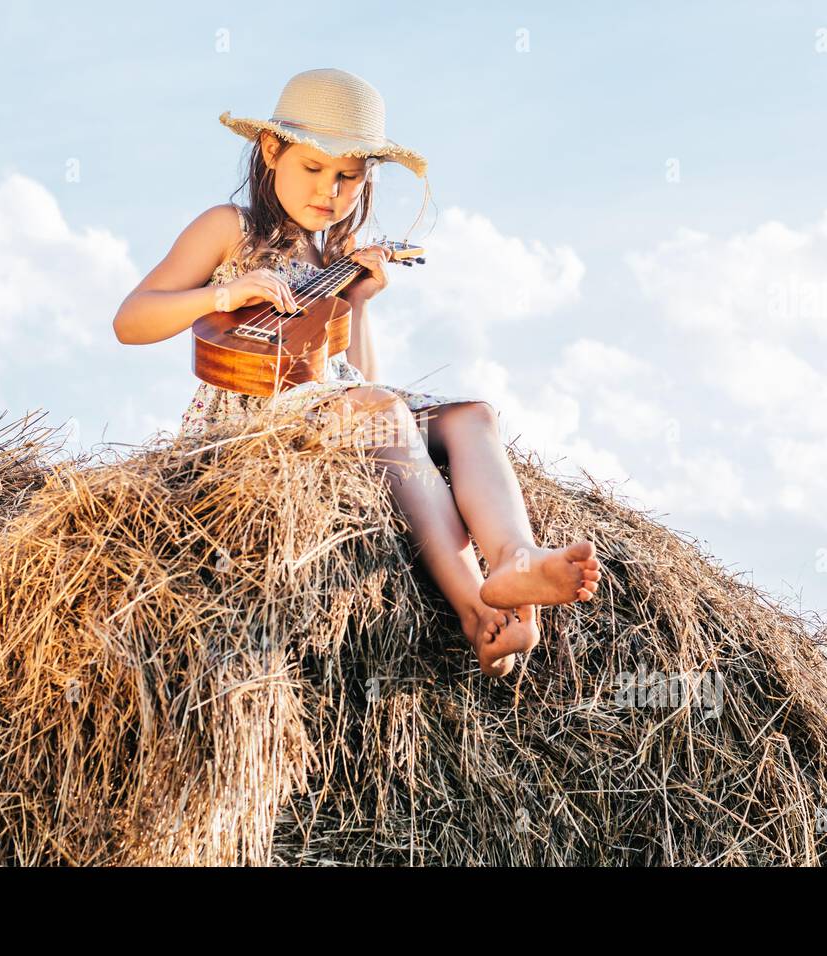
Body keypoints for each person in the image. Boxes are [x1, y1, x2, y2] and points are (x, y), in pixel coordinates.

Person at [112, 68, 600, 678]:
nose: (330, 191)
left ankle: (515, 557)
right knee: (382, 410)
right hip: (255, 418)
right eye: (313, 169)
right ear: (271, 151)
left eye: (348, 176)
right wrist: (222, 294)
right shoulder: (231, 228)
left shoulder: (333, 256)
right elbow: (130, 321)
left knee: (476, 415)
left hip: (336, 406)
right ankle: (477, 612)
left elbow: (352, 375)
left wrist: (359, 301)